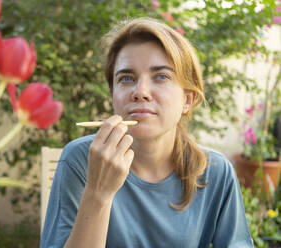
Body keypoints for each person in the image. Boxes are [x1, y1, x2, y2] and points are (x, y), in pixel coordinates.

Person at [40, 17, 253, 248]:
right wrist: (97, 194)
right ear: (113, 95)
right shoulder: (81, 160)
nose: (140, 92)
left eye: (161, 76)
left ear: (187, 100)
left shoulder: (214, 172)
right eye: (126, 78)